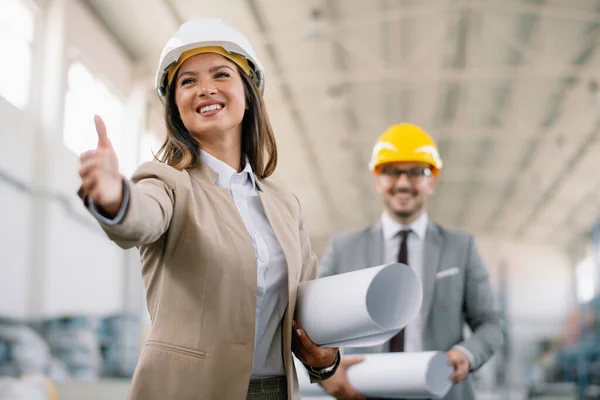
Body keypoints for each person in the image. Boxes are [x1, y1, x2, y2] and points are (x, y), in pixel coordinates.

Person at [77, 18, 339, 400]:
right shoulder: (167, 183)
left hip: (275, 392)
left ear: (248, 94)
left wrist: (326, 359)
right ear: (175, 106)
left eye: (220, 74)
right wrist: (115, 197)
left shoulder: (285, 205)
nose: (205, 89)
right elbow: (141, 218)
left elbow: (310, 308)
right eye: (188, 81)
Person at [318, 123, 505, 400]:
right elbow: (314, 325)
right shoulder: (343, 249)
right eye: (392, 172)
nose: (403, 183)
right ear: (377, 179)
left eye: (416, 172)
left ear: (431, 181)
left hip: (442, 389)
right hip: (363, 392)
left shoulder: (461, 248)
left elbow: (490, 324)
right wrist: (325, 371)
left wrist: (466, 354)